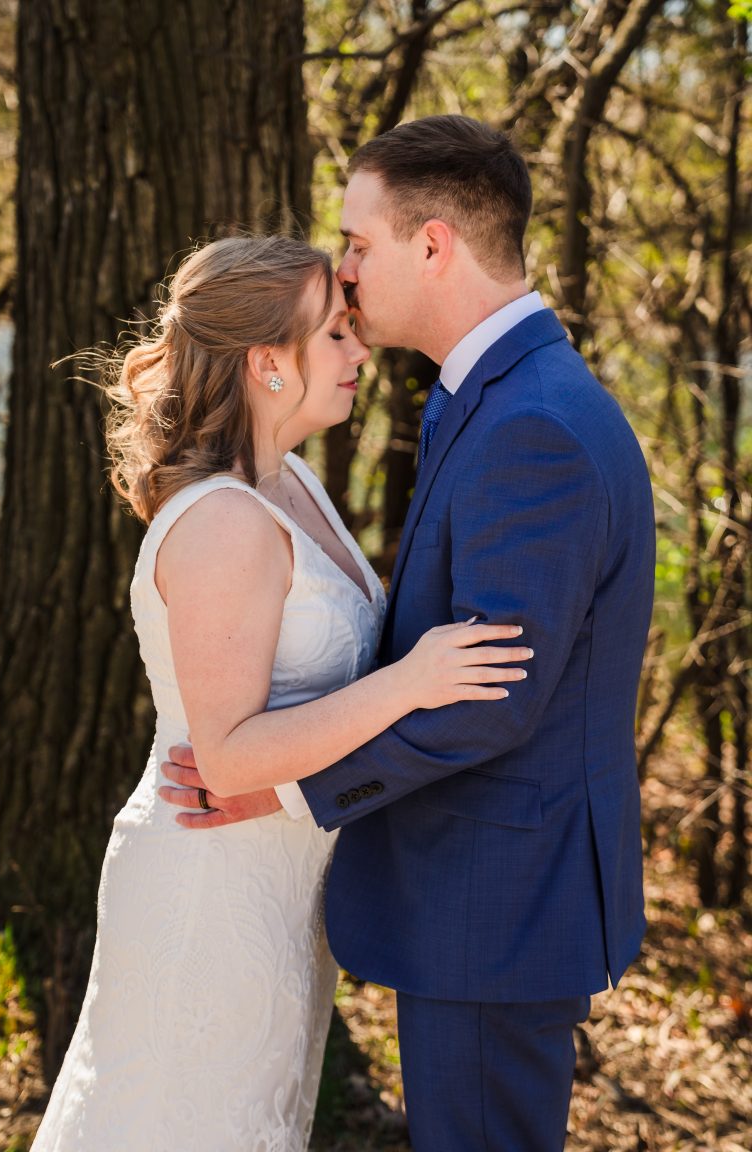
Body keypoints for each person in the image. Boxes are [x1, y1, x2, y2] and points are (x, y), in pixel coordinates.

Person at [162, 117, 656, 1151]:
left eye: (357, 243)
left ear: (433, 246)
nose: (344, 275)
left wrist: (279, 783)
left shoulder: (531, 426)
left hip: (496, 907)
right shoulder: (492, 396)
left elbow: (489, 695)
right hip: (484, 900)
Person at [31, 235, 531, 1152]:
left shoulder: (290, 480)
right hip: (208, 889)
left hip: (283, 884)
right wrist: (410, 684)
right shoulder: (225, 521)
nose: (358, 352)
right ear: (267, 363)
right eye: (335, 335)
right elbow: (225, 755)